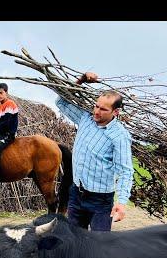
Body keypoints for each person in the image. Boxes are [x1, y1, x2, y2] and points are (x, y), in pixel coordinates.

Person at [55, 71, 133, 231]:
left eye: (103, 109)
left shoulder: (119, 136)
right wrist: (81, 80)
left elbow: (125, 171)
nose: (97, 111)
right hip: (76, 194)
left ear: (115, 112)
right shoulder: (85, 119)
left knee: (100, 246)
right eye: (96, 106)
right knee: (76, 242)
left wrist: (121, 202)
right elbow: (60, 102)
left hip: (100, 200)